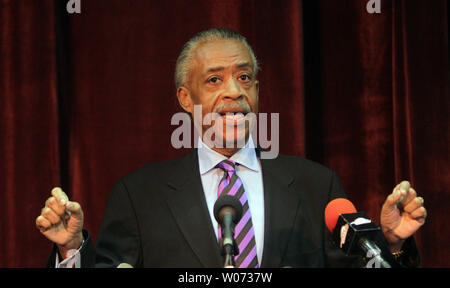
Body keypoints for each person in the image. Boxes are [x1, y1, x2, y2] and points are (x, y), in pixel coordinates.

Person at [35, 28, 427, 268]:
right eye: (214, 80)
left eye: (245, 77)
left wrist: (390, 245)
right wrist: (72, 251)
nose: (235, 92)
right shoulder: (140, 195)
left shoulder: (315, 186)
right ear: (186, 99)